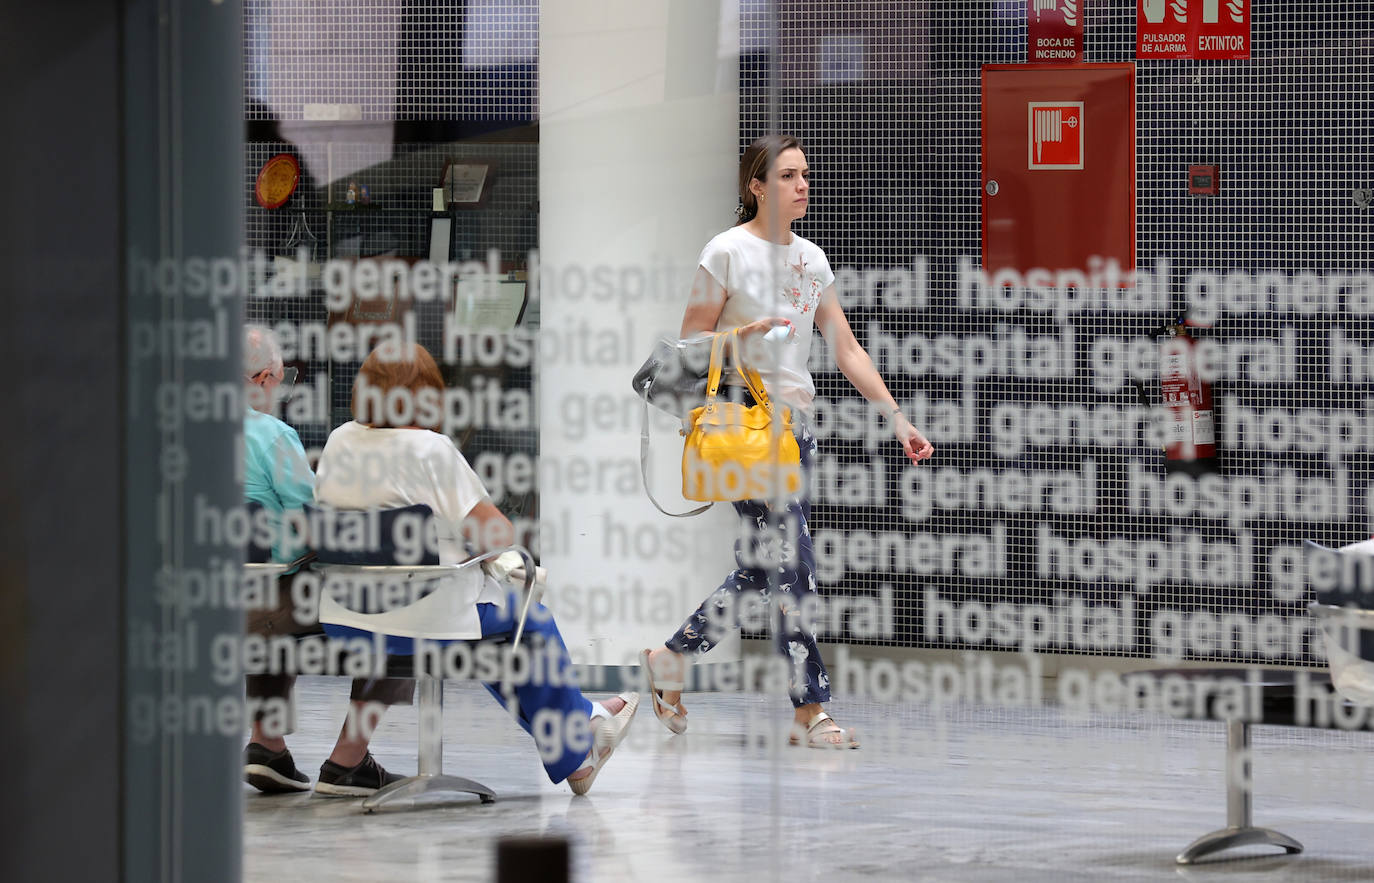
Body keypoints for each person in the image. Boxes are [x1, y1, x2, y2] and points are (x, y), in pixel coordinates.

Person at [641, 135, 935, 748]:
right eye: (788, 176)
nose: (803, 185)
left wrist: (897, 418)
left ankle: (671, 658)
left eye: (806, 175)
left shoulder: (812, 259)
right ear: (756, 185)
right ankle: (811, 710)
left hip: (793, 431)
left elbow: (846, 348)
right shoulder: (725, 252)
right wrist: (743, 331)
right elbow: (689, 344)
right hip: (744, 426)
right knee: (794, 565)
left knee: (765, 566)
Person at [312, 342, 638, 794]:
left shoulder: (339, 439)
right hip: (422, 614)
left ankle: (346, 761)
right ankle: (580, 736)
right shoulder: (430, 448)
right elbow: (497, 535)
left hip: (347, 617)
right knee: (526, 623)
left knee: (435, 619)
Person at [239, 325, 417, 796]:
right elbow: (313, 516)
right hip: (264, 603)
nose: (281, 386)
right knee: (400, 609)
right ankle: (349, 760)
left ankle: (266, 745)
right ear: (262, 378)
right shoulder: (271, 435)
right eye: (282, 377)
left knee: (268, 590)